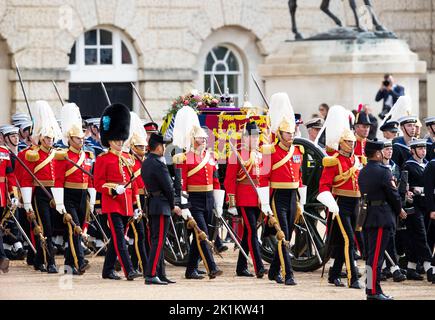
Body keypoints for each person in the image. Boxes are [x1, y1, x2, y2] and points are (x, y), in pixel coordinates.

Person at [172, 106, 222, 280]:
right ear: (193, 139)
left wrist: (219, 203)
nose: (204, 140)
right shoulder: (183, 158)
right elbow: (181, 184)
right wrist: (182, 205)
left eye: (204, 137)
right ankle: (212, 267)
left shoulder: (210, 156)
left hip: (208, 199)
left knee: (198, 235)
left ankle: (190, 269)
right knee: (203, 234)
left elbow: (216, 180)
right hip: (194, 200)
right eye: (200, 137)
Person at [94, 103, 142, 281]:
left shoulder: (129, 158)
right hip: (112, 204)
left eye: (121, 139)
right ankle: (129, 270)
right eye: (116, 140)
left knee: (117, 239)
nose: (120, 143)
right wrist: (113, 188)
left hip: (128, 204)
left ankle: (107, 270)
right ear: (109, 140)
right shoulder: (103, 159)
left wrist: (137, 205)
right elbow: (98, 183)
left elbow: (134, 183)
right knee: (121, 239)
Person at [317, 105, 362, 289]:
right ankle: (352, 278)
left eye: (353, 142)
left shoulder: (356, 160)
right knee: (348, 239)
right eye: (348, 142)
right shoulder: (333, 160)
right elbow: (323, 186)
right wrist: (330, 204)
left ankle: (334, 274)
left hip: (355, 203)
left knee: (344, 241)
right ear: (341, 142)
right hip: (339, 204)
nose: (351, 145)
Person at [17, 100, 62, 274]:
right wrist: (27, 202)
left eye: (51, 138)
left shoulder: (57, 154)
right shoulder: (31, 155)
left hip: (55, 194)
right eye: (47, 137)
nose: (50, 141)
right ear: (41, 137)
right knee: (45, 228)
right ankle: (50, 261)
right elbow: (26, 179)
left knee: (56, 228)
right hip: (40, 194)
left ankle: (38, 259)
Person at [266, 93, 306, 286]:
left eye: (292, 133)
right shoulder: (269, 151)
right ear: (280, 134)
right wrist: (264, 203)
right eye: (288, 133)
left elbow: (300, 178)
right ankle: (288, 273)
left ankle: (273, 271)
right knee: (282, 235)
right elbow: (263, 179)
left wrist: (302, 202)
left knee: (287, 235)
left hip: (292, 197)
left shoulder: (298, 151)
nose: (291, 135)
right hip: (277, 197)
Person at [358, 140, 405, 300]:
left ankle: (373, 289)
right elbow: (393, 194)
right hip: (381, 217)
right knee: (376, 258)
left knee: (373, 256)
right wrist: (399, 210)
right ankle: (372, 291)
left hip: (369, 217)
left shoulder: (363, 171)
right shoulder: (384, 171)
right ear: (377, 153)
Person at [52, 103, 93, 275]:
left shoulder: (87, 155)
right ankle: (80, 261)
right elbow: (58, 180)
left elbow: (90, 180)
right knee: (74, 229)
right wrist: (60, 202)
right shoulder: (63, 156)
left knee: (76, 230)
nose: (81, 141)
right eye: (77, 139)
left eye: (82, 138)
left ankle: (69, 266)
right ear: (70, 139)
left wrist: (92, 197)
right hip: (68, 195)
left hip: (83, 195)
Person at [224, 121, 268, 278]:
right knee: (251, 232)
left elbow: (263, 178)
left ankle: (241, 267)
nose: (255, 139)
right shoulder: (237, 154)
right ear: (245, 137)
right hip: (243, 198)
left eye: (257, 136)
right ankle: (259, 267)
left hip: (257, 199)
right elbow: (229, 180)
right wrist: (232, 202)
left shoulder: (259, 154)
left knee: (250, 233)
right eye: (252, 136)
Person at [141, 132, 182, 285]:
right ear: (158, 147)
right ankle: (151, 274)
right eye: (163, 145)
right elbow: (168, 188)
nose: (164, 148)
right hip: (161, 204)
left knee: (157, 240)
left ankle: (160, 273)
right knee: (158, 241)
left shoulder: (146, 162)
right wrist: (174, 205)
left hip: (153, 203)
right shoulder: (158, 163)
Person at [402, 139, 434, 281]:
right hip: (413, 205)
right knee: (421, 235)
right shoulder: (408, 165)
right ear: (413, 150)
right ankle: (430, 268)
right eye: (420, 149)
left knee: (420, 236)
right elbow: (404, 185)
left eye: (424, 149)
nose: (423, 151)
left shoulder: (428, 165)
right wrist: (410, 190)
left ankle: (411, 267)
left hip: (426, 204)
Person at [379, 140, 407, 282]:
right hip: (380, 206)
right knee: (383, 238)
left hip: (392, 206)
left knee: (391, 236)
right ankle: (387, 267)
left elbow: (400, 187)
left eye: (390, 149)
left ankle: (390, 266)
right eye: (386, 149)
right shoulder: (379, 167)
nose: (389, 152)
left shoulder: (395, 167)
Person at [423, 157, 435, 284]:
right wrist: (432, 209)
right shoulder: (432, 165)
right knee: (430, 239)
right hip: (434, 207)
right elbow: (428, 189)